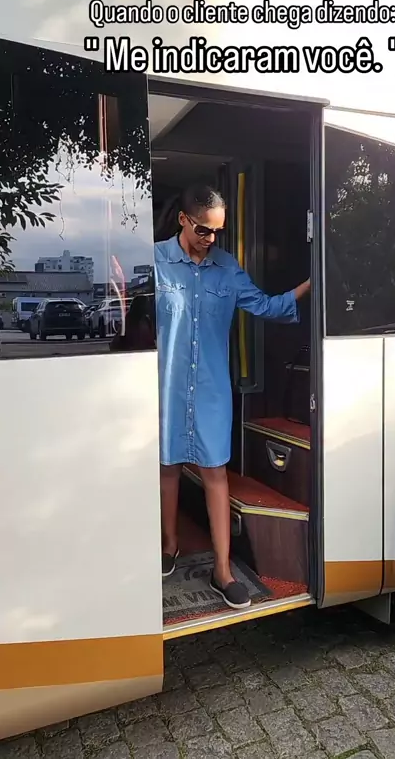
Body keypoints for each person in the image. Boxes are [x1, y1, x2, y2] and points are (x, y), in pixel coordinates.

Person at [155, 183, 310, 609]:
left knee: (215, 473)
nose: (211, 239)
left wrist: (310, 285)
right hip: (166, 386)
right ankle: (169, 544)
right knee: (167, 467)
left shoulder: (227, 268)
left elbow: (266, 306)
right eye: (203, 229)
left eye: (217, 231)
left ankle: (222, 571)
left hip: (212, 390)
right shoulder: (155, 262)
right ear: (183, 220)